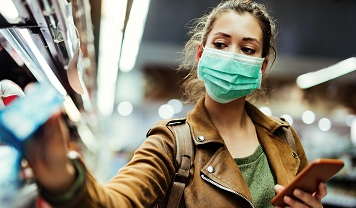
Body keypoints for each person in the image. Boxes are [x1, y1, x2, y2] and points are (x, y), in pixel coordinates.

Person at [24, 0, 328, 207]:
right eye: (221, 44)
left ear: (260, 68)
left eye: (247, 49)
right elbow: (117, 200)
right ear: (201, 55)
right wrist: (65, 180)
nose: (233, 55)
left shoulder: (284, 139)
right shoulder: (172, 143)